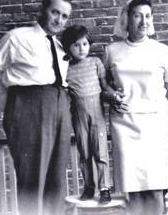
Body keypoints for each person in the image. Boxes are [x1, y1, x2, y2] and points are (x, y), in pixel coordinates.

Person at [0, 0, 72, 215]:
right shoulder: (17, 37)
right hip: (28, 109)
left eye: (64, 16)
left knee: (56, 178)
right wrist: (10, 107)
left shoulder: (60, 46)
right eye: (55, 12)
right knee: (32, 178)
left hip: (60, 106)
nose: (59, 20)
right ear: (42, 10)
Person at [104, 0, 168, 215]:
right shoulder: (112, 51)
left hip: (155, 125)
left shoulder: (163, 51)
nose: (143, 21)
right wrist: (110, 96)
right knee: (132, 191)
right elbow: (102, 88)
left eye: (147, 16)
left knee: (156, 190)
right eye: (137, 15)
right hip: (124, 125)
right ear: (127, 18)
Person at [61, 25, 116, 204]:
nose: (82, 48)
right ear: (68, 47)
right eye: (76, 45)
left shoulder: (95, 63)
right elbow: (64, 93)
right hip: (77, 113)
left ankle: (104, 188)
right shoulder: (65, 68)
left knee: (100, 151)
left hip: (97, 112)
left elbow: (105, 86)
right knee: (84, 152)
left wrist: (114, 95)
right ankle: (89, 186)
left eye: (85, 44)